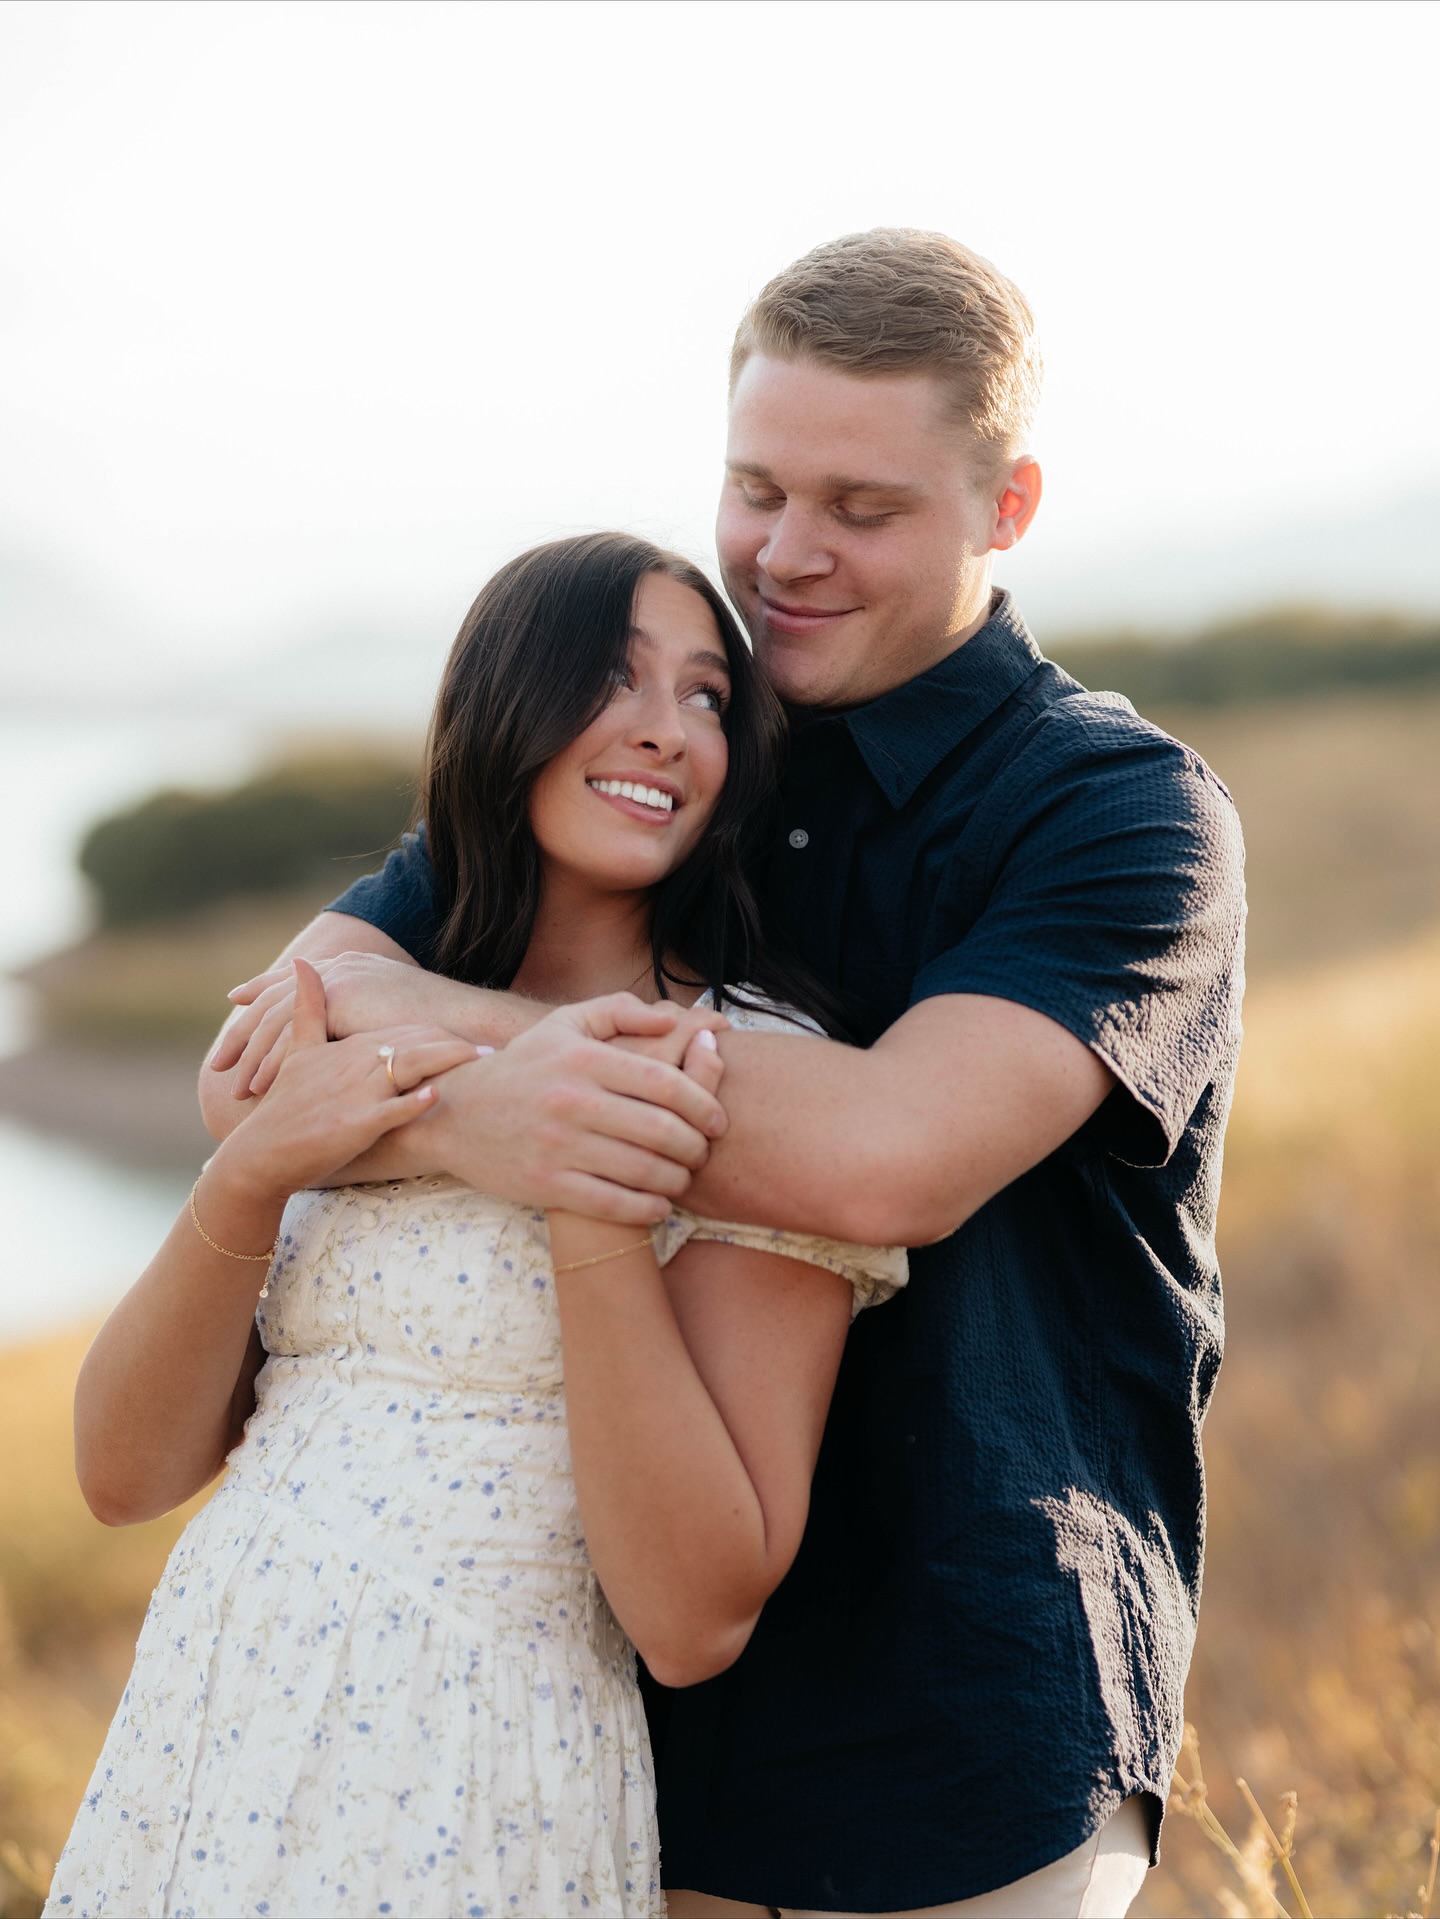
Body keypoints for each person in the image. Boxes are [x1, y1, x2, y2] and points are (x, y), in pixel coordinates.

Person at [210, 230, 1247, 1918]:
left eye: (862, 505)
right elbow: (279, 1030)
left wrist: (481, 1052)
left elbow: (884, 1163)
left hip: (963, 1718)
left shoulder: (1121, 812)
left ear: (1010, 505)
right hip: (618, 1729)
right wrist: (481, 1077)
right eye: (756, 486)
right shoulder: (662, 744)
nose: (785, 554)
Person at [43, 534, 905, 1919]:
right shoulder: (351, 1003)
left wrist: (590, 1186)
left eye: (703, 696)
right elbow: (122, 1472)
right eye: (613, 677)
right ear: (503, 702)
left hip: (478, 1768)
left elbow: (695, 1620)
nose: (663, 729)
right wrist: (259, 1169)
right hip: (215, 1719)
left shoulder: (744, 1073)